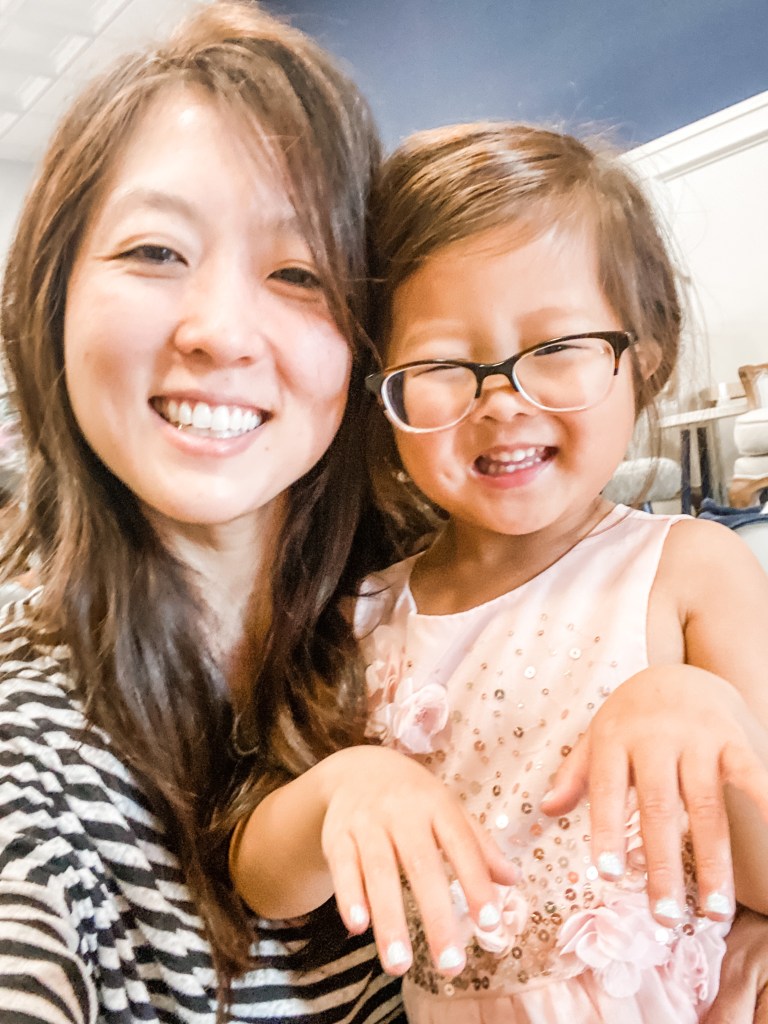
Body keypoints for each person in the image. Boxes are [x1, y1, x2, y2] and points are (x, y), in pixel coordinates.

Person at [229, 121, 768, 1023]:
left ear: (646, 356)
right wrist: (339, 790)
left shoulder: (691, 571)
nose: (503, 402)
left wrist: (709, 718)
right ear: (382, 394)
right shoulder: (365, 614)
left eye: (556, 349)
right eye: (442, 365)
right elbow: (263, 883)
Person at [0, 2, 410, 1020]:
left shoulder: (457, 629)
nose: (221, 332)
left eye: (299, 272)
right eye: (154, 252)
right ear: (52, 297)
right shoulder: (27, 741)